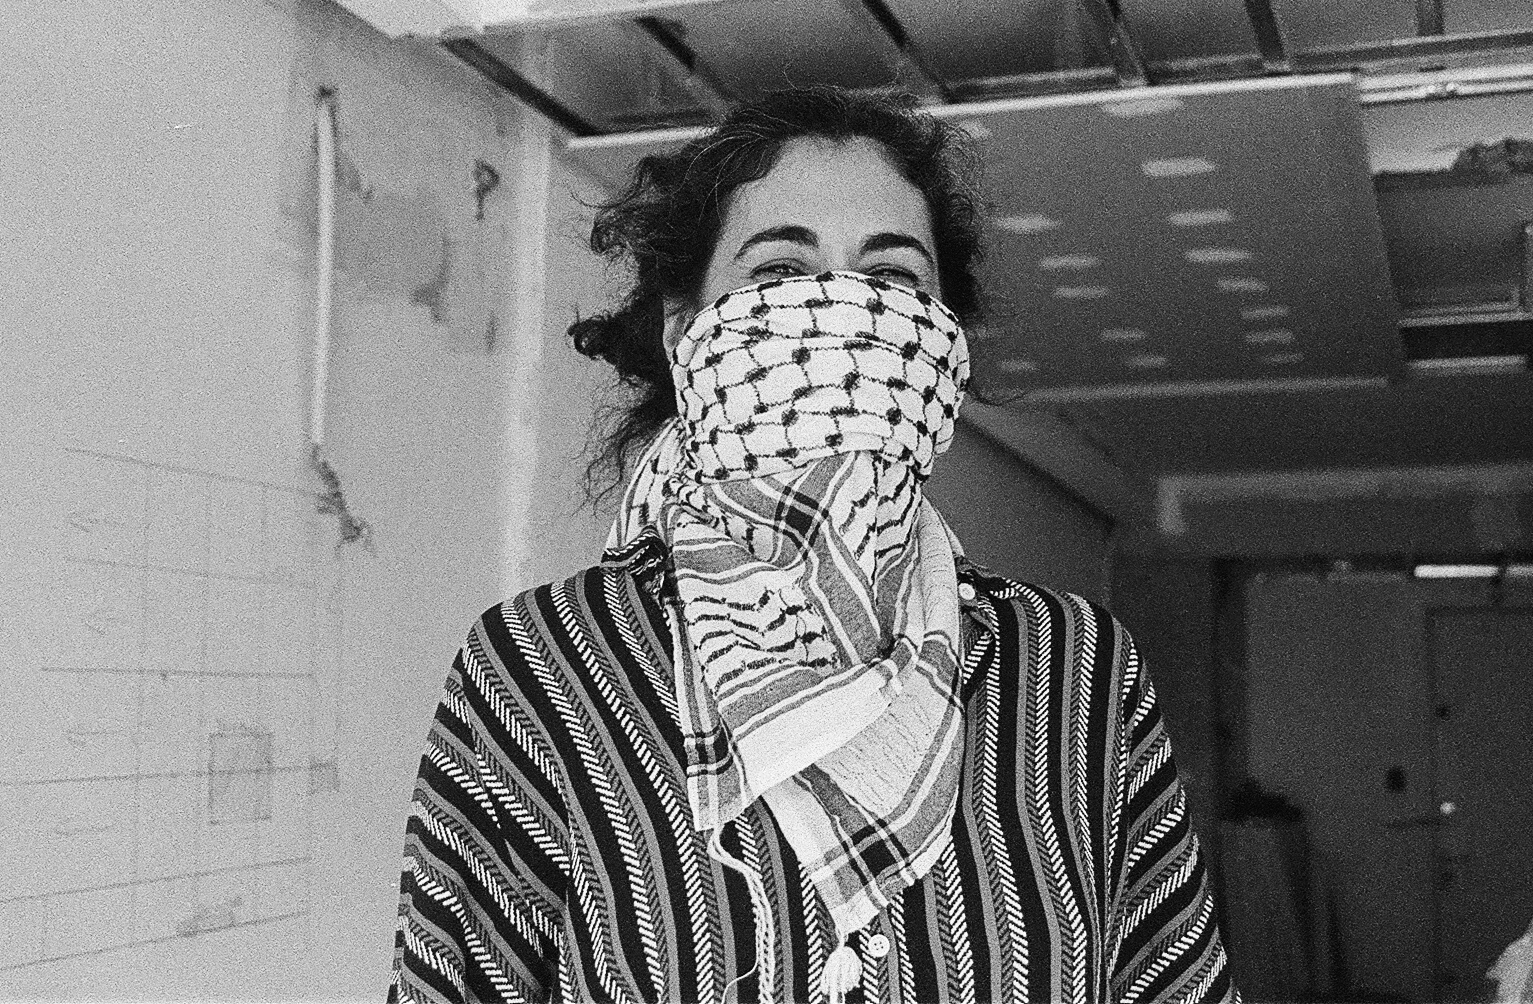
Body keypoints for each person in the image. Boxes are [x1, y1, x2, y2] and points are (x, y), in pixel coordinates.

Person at [389, 86, 1235, 1004]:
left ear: (941, 341)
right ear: (685, 331)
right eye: (781, 269)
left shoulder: (1072, 667)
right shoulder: (540, 664)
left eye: (892, 277)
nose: (843, 308)